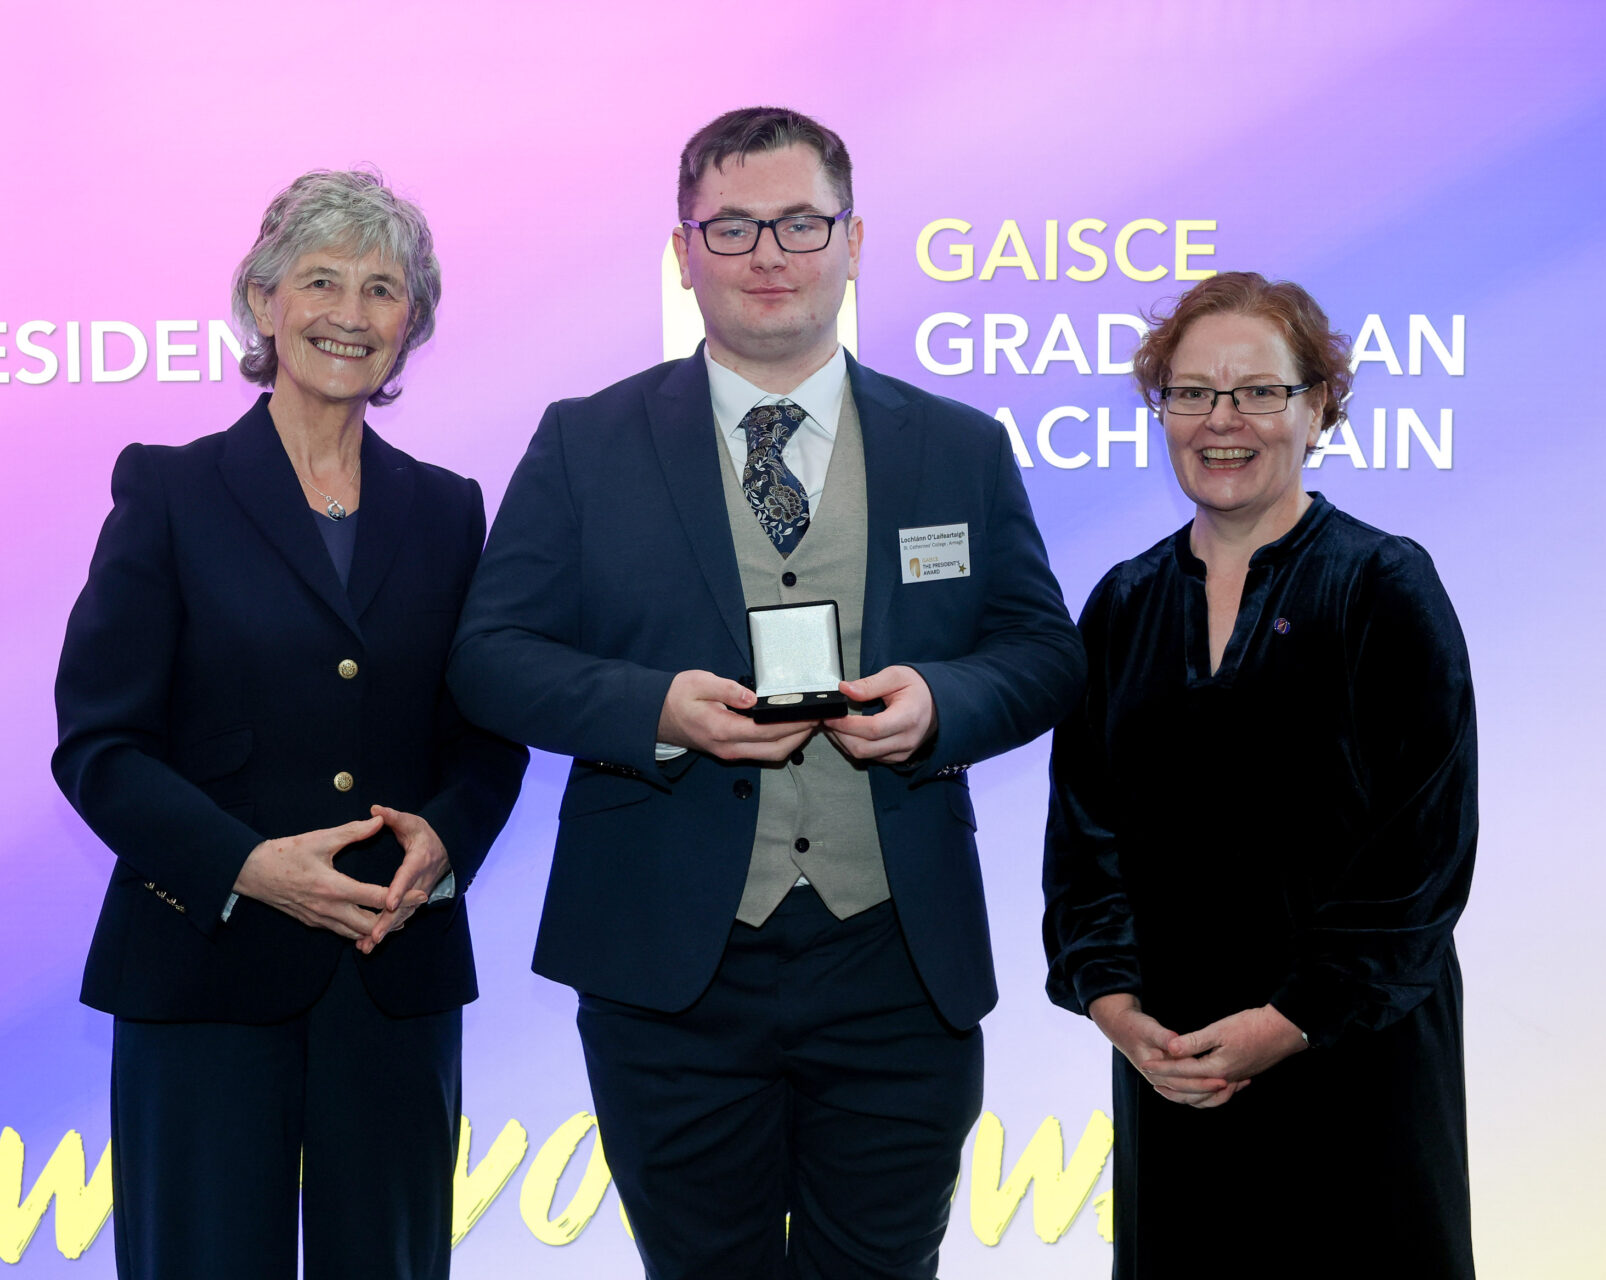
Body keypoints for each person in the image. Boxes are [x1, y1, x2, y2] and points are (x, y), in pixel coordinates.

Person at [447, 107, 1085, 1278]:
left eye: (800, 223)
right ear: (682, 253)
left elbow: (1042, 650)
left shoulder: (959, 446)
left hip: (898, 958)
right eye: (731, 227)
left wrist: (941, 702)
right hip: (666, 964)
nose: (769, 255)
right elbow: (490, 656)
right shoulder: (585, 442)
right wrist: (653, 708)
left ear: (854, 241)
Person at [51, 169, 527, 1280]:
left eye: (381, 289)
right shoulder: (169, 491)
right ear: (263, 300)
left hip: (391, 971)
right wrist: (247, 866)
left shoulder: (450, 508)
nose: (349, 314)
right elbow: (100, 746)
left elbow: (488, 731)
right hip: (203, 969)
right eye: (320, 282)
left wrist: (447, 837)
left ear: (411, 324)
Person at [1042, 272, 1478, 1277]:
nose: (1222, 419)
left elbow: (1423, 855)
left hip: (1356, 1060)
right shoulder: (1122, 602)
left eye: (1258, 391)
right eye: (1193, 392)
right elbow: (1084, 841)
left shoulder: (1383, 584)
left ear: (1318, 405)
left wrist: (1289, 1022)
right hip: (1176, 1066)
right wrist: (1119, 1012)